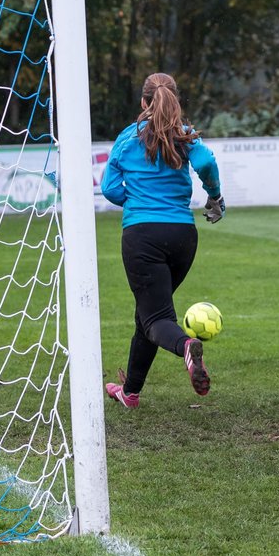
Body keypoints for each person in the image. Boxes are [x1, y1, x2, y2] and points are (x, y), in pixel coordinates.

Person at [100, 73, 226, 408]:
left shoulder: (128, 138)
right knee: (148, 314)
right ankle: (130, 393)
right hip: (183, 236)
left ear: (143, 102)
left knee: (156, 319)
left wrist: (140, 201)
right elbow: (206, 162)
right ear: (175, 99)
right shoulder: (184, 135)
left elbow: (110, 189)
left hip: (143, 235)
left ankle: (186, 346)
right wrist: (215, 196)